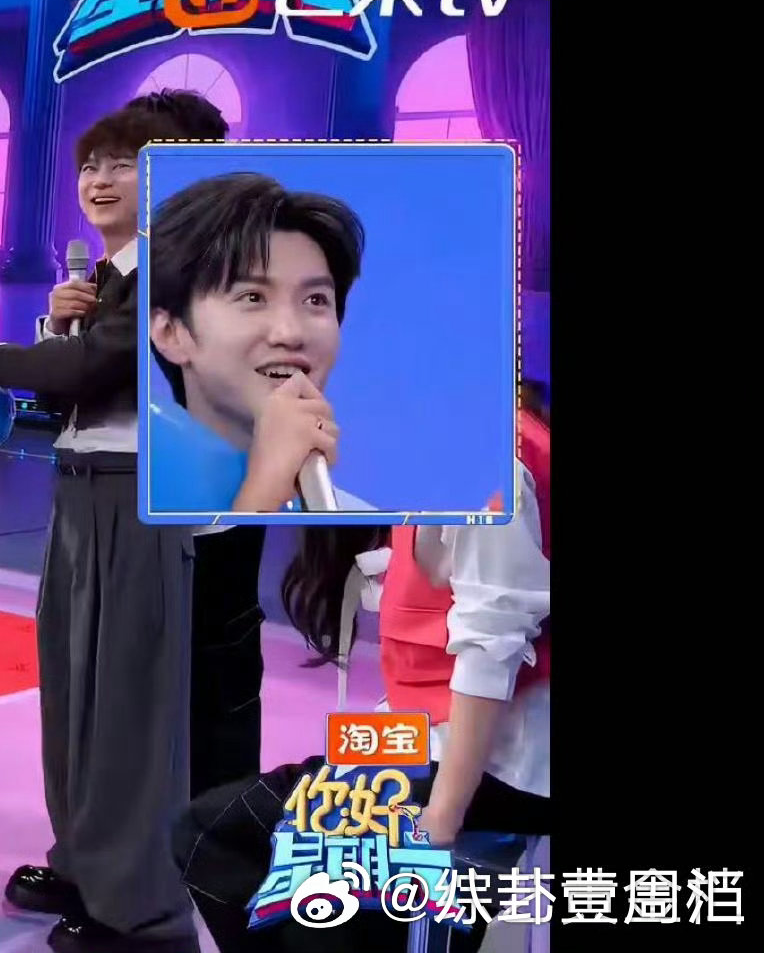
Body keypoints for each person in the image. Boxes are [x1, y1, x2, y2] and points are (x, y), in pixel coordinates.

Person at [0, 105, 196, 952]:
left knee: (125, 705)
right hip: (80, 490)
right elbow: (68, 382)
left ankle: (141, 909)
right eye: (91, 165)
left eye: (123, 163)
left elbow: (95, 367)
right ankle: (85, 861)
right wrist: (56, 323)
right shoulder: (106, 280)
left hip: (138, 496)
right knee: (74, 694)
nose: (100, 180)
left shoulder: (172, 268)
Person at [171, 401, 551, 953]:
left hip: (504, 758)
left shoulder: (488, 459)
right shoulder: (424, 449)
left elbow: (492, 651)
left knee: (304, 908)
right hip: (423, 731)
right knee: (214, 833)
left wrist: (439, 820)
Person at [115, 89, 270, 803]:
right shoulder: (129, 264)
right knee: (138, 680)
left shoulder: (238, 269)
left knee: (219, 665)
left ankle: (223, 837)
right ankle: (138, 847)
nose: (121, 175)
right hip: (138, 508)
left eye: (140, 157)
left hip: (222, 505)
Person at [145, 171, 374, 512]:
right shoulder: (130, 496)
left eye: (315, 300)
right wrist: (263, 491)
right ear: (170, 332)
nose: (290, 334)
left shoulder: (354, 516)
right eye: (253, 297)